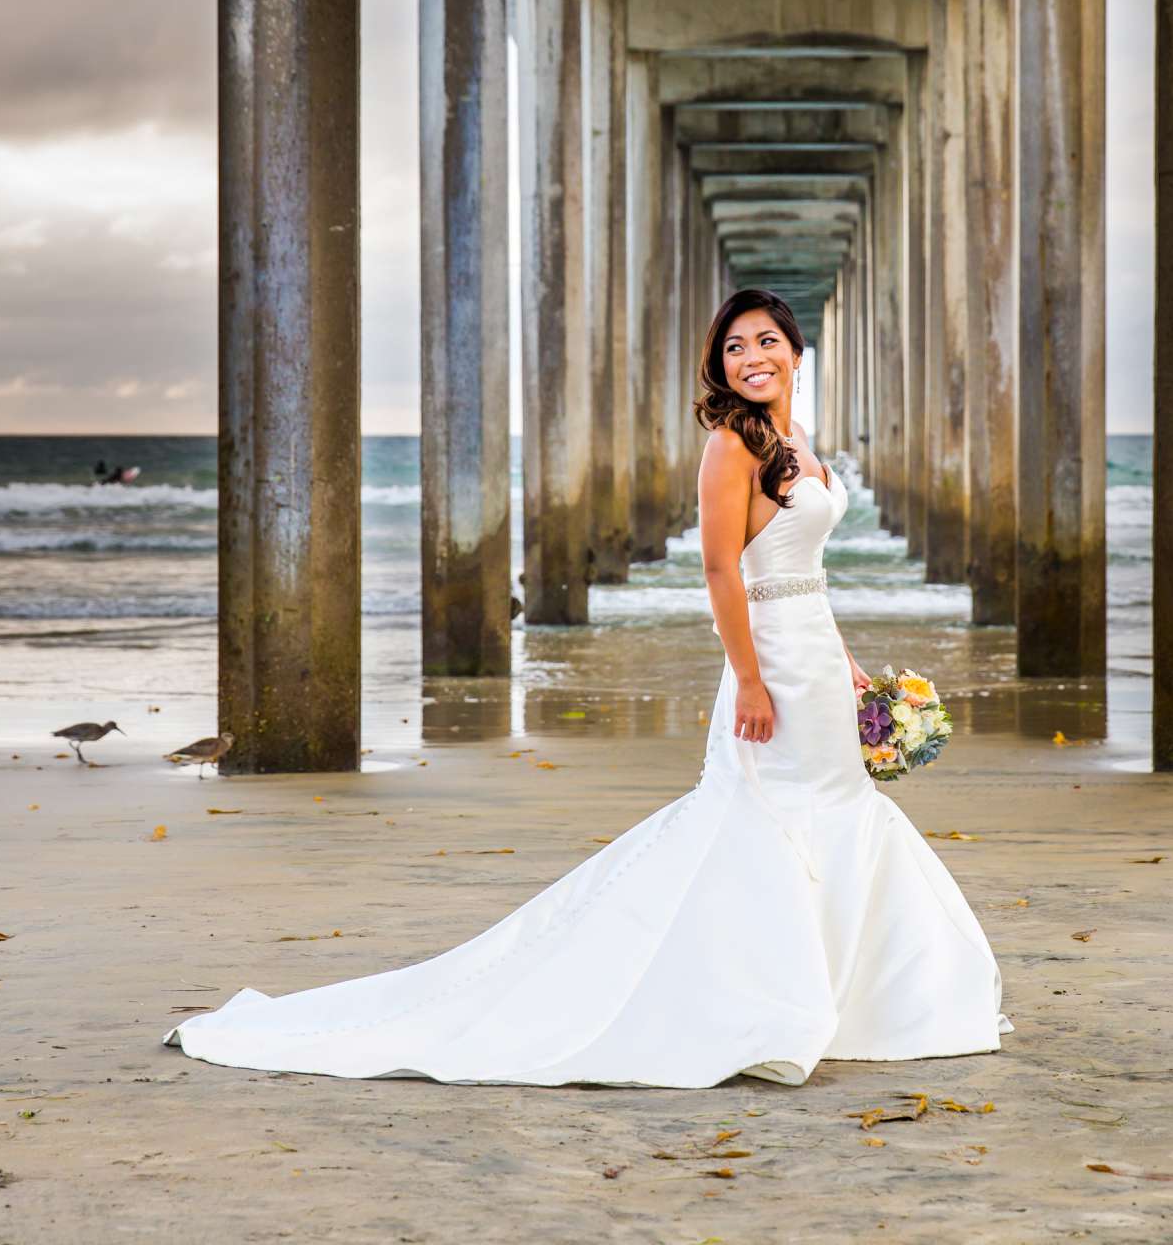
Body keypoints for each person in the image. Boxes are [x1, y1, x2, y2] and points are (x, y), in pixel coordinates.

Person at [164, 288, 1008, 1087]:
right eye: (735, 345)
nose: (753, 356)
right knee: (764, 820)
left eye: (768, 342)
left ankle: (855, 1003)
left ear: (796, 352)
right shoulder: (731, 447)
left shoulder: (803, 452)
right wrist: (748, 680)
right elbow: (721, 572)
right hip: (771, 670)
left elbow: (800, 574)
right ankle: (755, 1005)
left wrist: (851, 664)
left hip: (817, 659)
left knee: (839, 812)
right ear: (721, 364)